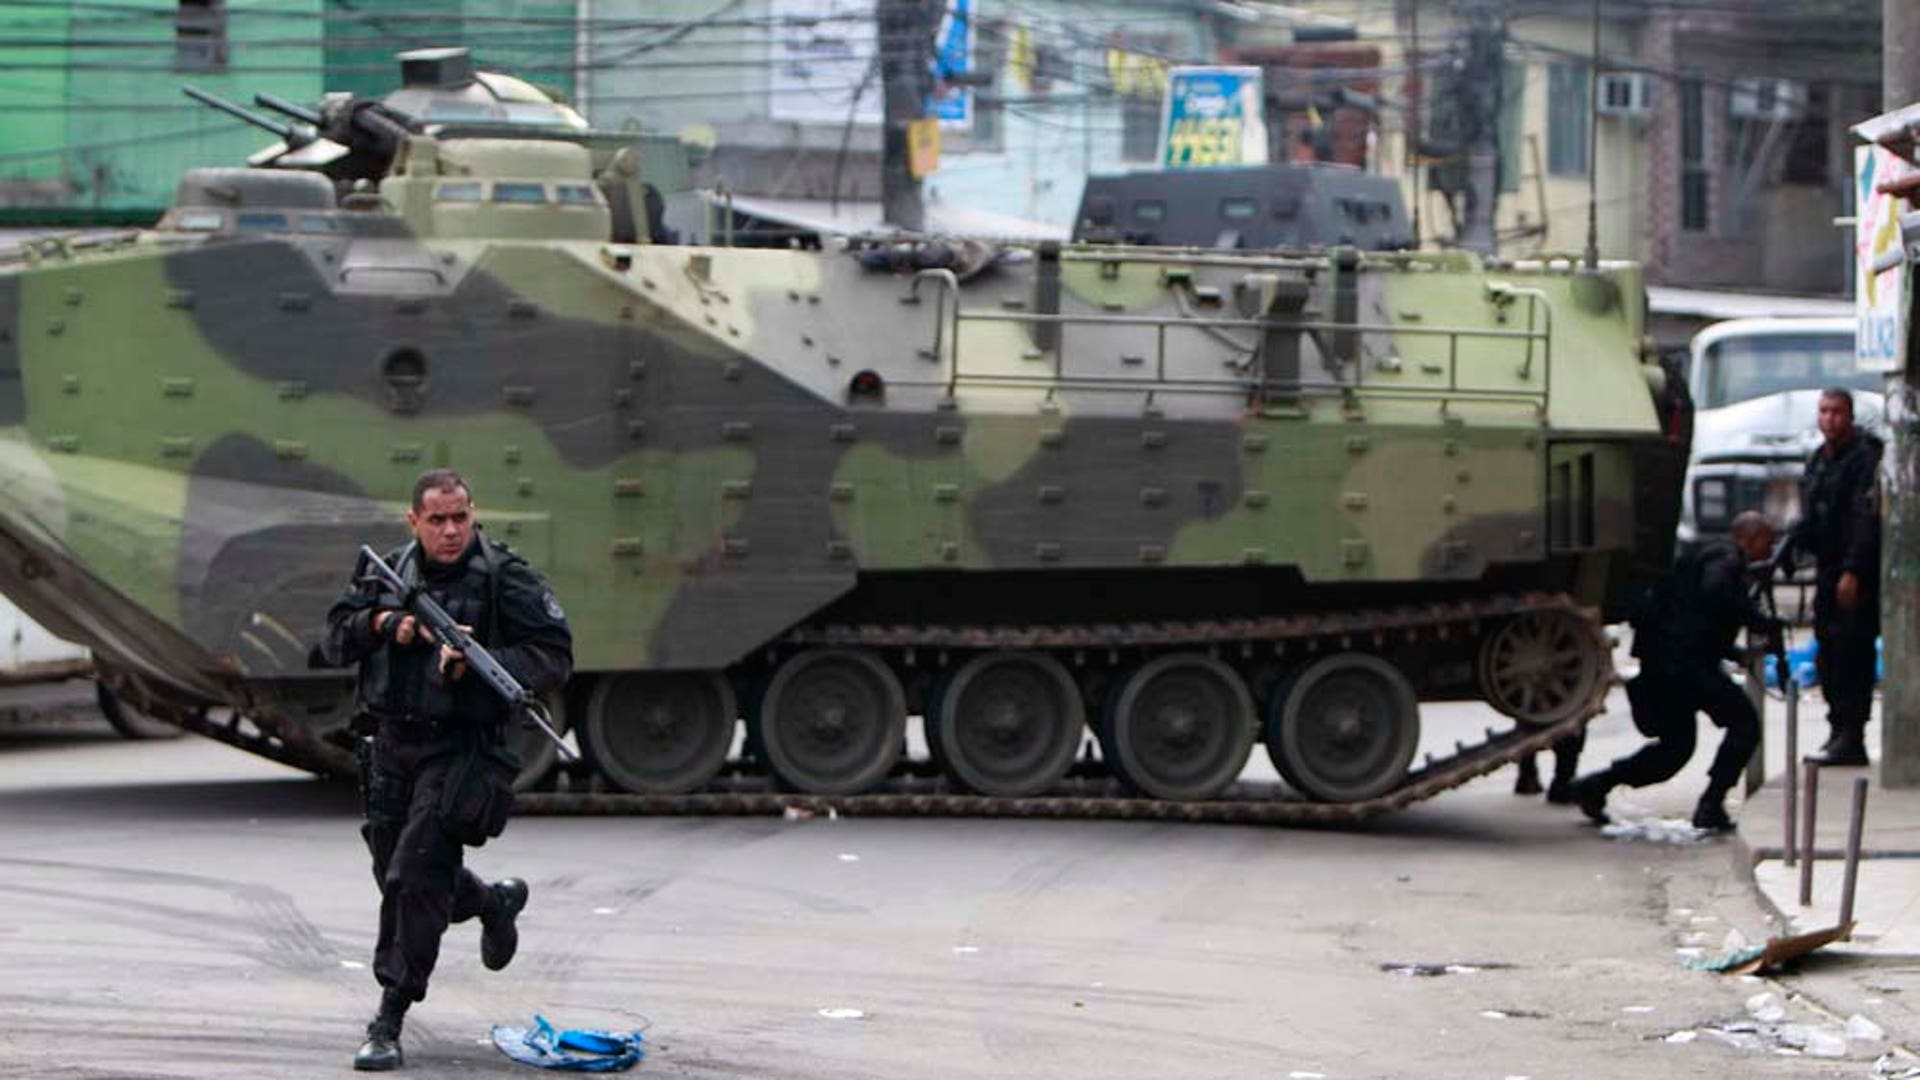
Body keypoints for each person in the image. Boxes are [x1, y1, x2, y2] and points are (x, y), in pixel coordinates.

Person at [322, 469, 573, 1071]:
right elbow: (333, 640)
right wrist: (387, 624)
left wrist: (477, 663)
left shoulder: (503, 577)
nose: (452, 530)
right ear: (415, 522)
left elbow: (554, 655)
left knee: (413, 874)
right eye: (437, 520)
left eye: (460, 517)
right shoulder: (388, 571)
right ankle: (489, 904)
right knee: (398, 875)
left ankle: (389, 1015)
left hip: (461, 750)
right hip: (390, 745)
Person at [1567, 512, 1782, 832]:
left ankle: (1597, 785)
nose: (1770, 548)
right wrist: (1757, 620)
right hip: (1685, 667)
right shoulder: (1726, 560)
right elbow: (1715, 595)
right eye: (1767, 540)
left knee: (1674, 750)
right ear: (1749, 538)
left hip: (1670, 664)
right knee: (1744, 724)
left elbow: (1696, 618)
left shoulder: (1704, 557)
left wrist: (1733, 651)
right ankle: (1711, 804)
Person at [1789, 387, 1882, 767]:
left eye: (1837, 412)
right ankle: (1837, 729)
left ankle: (1851, 733)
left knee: (1852, 653)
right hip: (1828, 570)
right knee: (1829, 652)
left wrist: (1853, 570)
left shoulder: (1863, 459)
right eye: (1824, 412)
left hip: (1855, 573)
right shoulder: (1819, 460)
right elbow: (1811, 515)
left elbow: (1864, 519)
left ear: (1850, 416)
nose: (1829, 419)